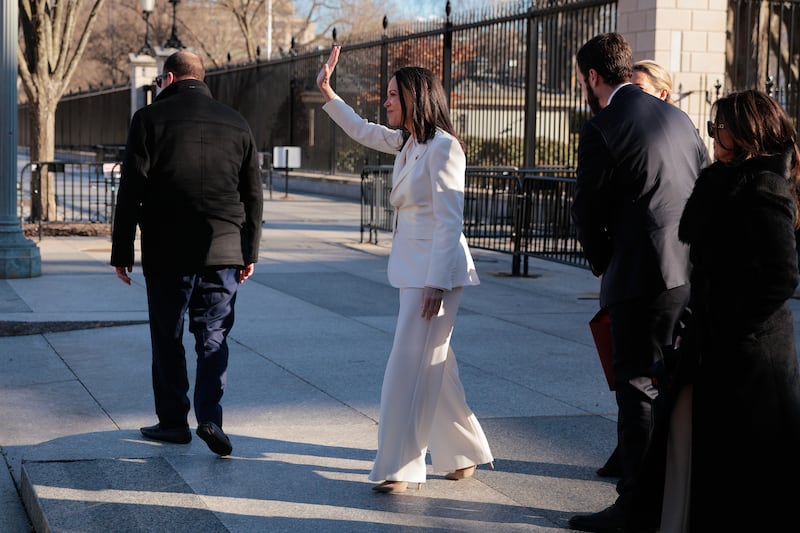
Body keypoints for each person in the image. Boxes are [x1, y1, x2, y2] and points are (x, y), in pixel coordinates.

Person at [316, 46, 494, 494]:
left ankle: (398, 466)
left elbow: (450, 220)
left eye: (394, 94)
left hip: (437, 277)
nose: (387, 101)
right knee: (437, 365)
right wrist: (327, 91)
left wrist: (436, 280)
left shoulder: (445, 148)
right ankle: (465, 451)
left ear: (415, 96)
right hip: (412, 274)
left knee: (407, 367)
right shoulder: (407, 142)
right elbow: (361, 129)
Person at [568, 33, 710, 532]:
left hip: (640, 276)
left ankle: (637, 506)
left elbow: (587, 208)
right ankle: (673, 495)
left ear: (592, 76)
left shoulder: (603, 126)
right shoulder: (680, 117)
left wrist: (604, 262)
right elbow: (705, 182)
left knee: (637, 389)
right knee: (670, 384)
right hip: (687, 272)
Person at [111, 50, 264, 457]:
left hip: (167, 249)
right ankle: (210, 417)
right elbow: (252, 195)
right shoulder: (237, 122)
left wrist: (121, 250)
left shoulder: (148, 120)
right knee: (213, 335)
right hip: (225, 247)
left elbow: (131, 191)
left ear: (169, 79)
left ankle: (174, 422)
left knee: (168, 335)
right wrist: (250, 250)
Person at [667, 90, 800, 532]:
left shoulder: (764, 188)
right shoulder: (723, 180)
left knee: (746, 472)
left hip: (750, 355)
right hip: (716, 344)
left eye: (717, 126)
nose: (711, 134)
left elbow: (781, 277)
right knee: (709, 459)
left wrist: (731, 329)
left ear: (744, 133)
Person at [597, 59, 677, 481]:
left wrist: (602, 260)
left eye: (639, 87)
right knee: (635, 376)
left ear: (662, 93)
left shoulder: (667, 128)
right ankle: (630, 458)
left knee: (640, 379)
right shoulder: (676, 127)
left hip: (650, 274)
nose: (631, 94)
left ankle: (637, 490)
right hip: (665, 271)